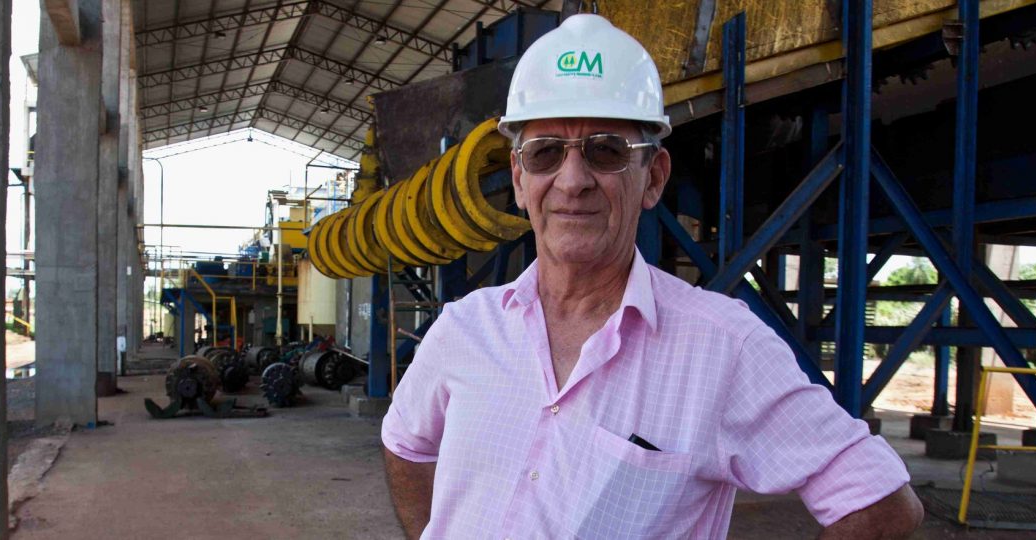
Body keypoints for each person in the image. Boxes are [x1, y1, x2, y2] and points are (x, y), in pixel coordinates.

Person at [381, 13, 923, 539]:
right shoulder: (464, 329)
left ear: (654, 177)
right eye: (545, 153)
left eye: (606, 151)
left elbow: (881, 503)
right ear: (520, 179)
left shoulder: (723, 349)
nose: (572, 181)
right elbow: (405, 443)